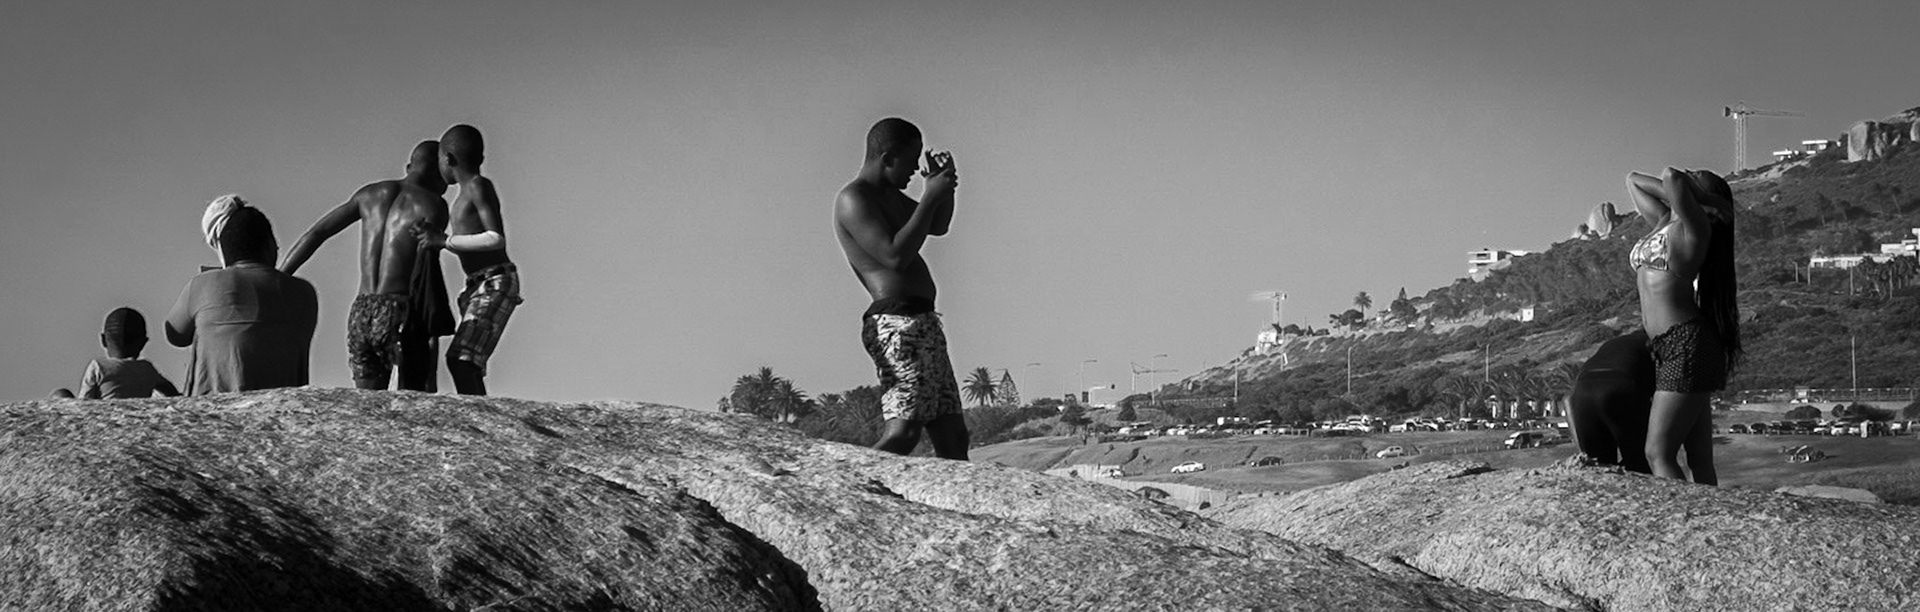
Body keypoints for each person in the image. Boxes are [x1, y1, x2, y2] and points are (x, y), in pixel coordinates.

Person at [832, 117, 969, 460]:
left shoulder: (890, 196)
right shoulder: (854, 198)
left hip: (924, 322)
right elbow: (894, 256)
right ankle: (852, 480)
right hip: (896, 325)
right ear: (888, 157)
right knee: (905, 432)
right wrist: (929, 196)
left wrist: (944, 190)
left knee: (953, 437)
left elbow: (938, 225)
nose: (915, 170)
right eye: (910, 161)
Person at [281, 142, 455, 391]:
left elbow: (317, 233)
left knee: (367, 401)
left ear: (409, 167)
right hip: (401, 309)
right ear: (438, 172)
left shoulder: (369, 194)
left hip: (361, 310)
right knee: (413, 399)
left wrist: (280, 276)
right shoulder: (434, 205)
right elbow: (426, 276)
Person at [1625, 167, 1741, 485]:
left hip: (1685, 343)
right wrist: (1697, 195)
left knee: (1657, 453)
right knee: (1699, 457)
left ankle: (1677, 512)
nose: (1690, 171)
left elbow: (1671, 177)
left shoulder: (1696, 228)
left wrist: (1697, 196)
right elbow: (1632, 180)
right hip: (1671, 347)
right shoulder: (1665, 221)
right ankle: (1708, 510)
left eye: (1697, 175)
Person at [411, 124, 522, 396]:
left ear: (448, 159)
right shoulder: (463, 195)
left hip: (494, 280)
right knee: (467, 362)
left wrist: (444, 241)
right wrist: (433, 237)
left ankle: (480, 416)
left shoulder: (477, 186)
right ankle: (481, 411)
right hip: (476, 285)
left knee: (462, 360)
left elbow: (495, 238)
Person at [167, 201, 319, 395]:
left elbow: (175, 336)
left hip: (216, 405)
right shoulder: (304, 292)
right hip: (283, 404)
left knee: (200, 328)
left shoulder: (202, 285)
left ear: (223, 252)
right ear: (270, 246)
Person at [1567, 330, 1652, 474]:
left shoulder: (1613, 344)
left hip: (1585, 388)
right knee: (1640, 463)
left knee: (1600, 468)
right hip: (1620, 384)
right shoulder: (1660, 340)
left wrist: (1583, 449)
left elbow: (1568, 399)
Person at [50, 307, 181, 399]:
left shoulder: (98, 367)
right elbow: (171, 393)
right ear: (143, 343)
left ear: (103, 340)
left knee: (61, 394)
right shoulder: (147, 369)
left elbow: (84, 402)